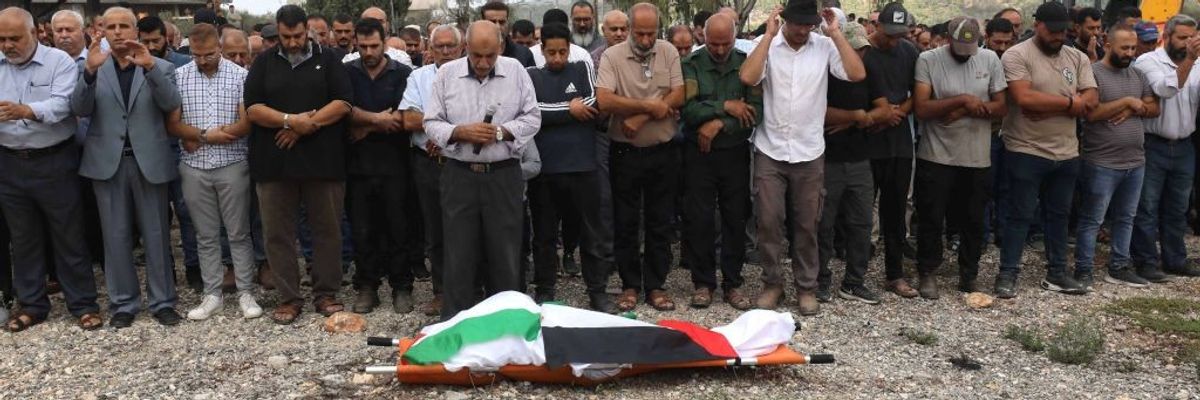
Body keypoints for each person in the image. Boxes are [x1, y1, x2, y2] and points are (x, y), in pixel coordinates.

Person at [740, 0, 865, 316]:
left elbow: (856, 73)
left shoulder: (824, 45)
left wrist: (835, 34)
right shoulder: (764, 43)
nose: (802, 30)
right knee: (768, 221)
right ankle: (772, 284)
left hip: (809, 150)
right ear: (784, 19)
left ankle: (806, 287)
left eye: (809, 24)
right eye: (797, 23)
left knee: (808, 224)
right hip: (771, 149)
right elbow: (748, 78)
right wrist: (767, 38)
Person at [71, 6, 184, 328]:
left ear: (136, 31)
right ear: (101, 31)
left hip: (149, 160)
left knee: (157, 234)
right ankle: (124, 303)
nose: (118, 32)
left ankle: (163, 301)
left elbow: (171, 103)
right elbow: (78, 108)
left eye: (124, 26)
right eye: (111, 26)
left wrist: (150, 69)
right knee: (115, 236)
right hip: (107, 163)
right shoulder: (93, 66)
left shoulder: (159, 65)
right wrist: (89, 74)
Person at [244, 5, 354, 324]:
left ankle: (326, 293)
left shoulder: (329, 59)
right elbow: (253, 108)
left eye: (297, 35)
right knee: (278, 233)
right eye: (285, 36)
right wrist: (291, 121)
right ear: (277, 32)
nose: (292, 42)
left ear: (307, 29)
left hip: (323, 161)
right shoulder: (263, 62)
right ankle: (289, 297)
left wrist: (309, 125)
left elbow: (343, 102)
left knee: (327, 229)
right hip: (274, 163)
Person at [424, 20, 541, 319]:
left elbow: (532, 118)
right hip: (459, 175)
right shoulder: (447, 74)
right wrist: (460, 132)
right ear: (465, 49)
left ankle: (507, 325)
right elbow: (431, 123)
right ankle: (455, 326)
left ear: (500, 48)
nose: (483, 63)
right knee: (459, 254)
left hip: (503, 175)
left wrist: (501, 132)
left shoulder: (515, 70)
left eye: (490, 56)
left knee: (505, 254)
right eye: (476, 55)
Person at [0, 7, 102, 332]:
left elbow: (64, 105)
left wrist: (25, 110)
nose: (7, 45)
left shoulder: (58, 62)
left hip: (54, 160)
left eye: (14, 38)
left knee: (68, 234)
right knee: (24, 237)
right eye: (1, 39)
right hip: (10, 163)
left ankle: (83, 303)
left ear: (35, 33)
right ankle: (31, 304)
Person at [996, 1, 1099, 298]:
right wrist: (1070, 104)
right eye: (1052, 31)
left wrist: (1058, 105)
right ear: (1037, 24)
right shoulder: (1018, 55)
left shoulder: (1076, 57)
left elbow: (1091, 98)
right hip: (1026, 149)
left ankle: (1057, 273)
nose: (1058, 37)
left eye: (1063, 32)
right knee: (1020, 214)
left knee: (1059, 216)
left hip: (1066, 152)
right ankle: (1008, 273)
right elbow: (1024, 98)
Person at [163, 23, 262, 320]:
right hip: (194, 167)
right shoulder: (179, 76)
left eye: (208, 54)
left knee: (238, 232)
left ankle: (245, 291)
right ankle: (212, 293)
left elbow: (247, 122)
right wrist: (204, 135)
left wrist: (207, 136)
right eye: (196, 54)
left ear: (219, 47)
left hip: (232, 162)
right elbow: (172, 124)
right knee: (204, 234)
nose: (202, 60)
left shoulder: (240, 75)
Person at [596, 3, 685, 312]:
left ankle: (656, 285)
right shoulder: (612, 56)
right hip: (625, 153)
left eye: (651, 33)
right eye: (640, 33)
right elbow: (605, 100)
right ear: (630, 29)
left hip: (663, 152)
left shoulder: (669, 51)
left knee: (661, 220)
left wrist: (638, 118)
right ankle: (631, 284)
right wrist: (649, 108)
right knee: (626, 221)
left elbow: (678, 94)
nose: (646, 40)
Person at [912, 16, 1007, 299]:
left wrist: (965, 110)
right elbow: (922, 108)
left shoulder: (989, 59)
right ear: (948, 39)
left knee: (974, 219)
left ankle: (969, 272)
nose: (966, 54)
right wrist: (962, 101)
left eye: (971, 48)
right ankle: (928, 270)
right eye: (959, 48)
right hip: (936, 153)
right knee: (931, 216)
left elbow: (1002, 106)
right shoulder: (929, 60)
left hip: (976, 155)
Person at [525, 22, 610, 311]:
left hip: (583, 166)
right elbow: (532, 112)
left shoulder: (581, 68)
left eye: (562, 51)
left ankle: (597, 290)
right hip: (546, 170)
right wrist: (569, 109)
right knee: (545, 234)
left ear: (570, 49)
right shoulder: (531, 75)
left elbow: (593, 101)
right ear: (542, 49)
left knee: (591, 231)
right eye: (552, 52)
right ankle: (545, 289)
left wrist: (563, 110)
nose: (558, 58)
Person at [679, 13, 760, 311]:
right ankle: (703, 282)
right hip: (698, 154)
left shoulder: (746, 63)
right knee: (699, 218)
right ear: (703, 37)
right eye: (713, 43)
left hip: (734, 152)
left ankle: (733, 282)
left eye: (725, 43)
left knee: (735, 217)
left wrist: (718, 125)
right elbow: (687, 109)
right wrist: (726, 106)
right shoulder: (691, 64)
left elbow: (754, 113)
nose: (720, 49)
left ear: (734, 37)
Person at [1074, 25, 1160, 290]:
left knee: (1126, 218)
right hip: (1101, 161)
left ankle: (1119, 267)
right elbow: (1090, 113)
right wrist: (1127, 102)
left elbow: (1154, 108)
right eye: (1125, 47)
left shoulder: (1138, 74)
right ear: (1108, 45)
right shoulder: (1093, 73)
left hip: (1135, 161)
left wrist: (1135, 107)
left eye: (1133, 48)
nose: (1130, 53)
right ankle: (1084, 270)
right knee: (1092, 219)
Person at [343, 18, 414, 314]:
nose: (369, 52)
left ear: (385, 43)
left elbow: (403, 117)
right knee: (362, 229)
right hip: (357, 167)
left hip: (396, 164)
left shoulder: (403, 74)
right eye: (363, 46)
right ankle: (367, 286)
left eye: (374, 45)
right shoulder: (346, 74)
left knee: (399, 226)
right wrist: (378, 120)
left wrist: (365, 125)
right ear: (356, 45)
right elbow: (342, 110)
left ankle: (401, 286)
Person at [399, 24, 464, 316]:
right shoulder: (418, 77)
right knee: (435, 231)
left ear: (462, 48)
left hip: (463, 162)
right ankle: (441, 291)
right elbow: (409, 120)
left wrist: (446, 135)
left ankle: (471, 290)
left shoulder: (472, 75)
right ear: (430, 49)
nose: (447, 52)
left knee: (467, 229)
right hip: (428, 163)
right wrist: (444, 131)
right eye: (441, 47)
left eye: (452, 46)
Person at [1132, 15, 1200, 279]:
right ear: (1167, 37)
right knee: (1147, 206)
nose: (1187, 43)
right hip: (1154, 144)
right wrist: (1190, 60)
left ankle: (1175, 259)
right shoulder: (1148, 61)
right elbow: (1165, 89)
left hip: (1184, 145)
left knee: (1178, 207)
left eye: (1190, 38)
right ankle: (1146, 261)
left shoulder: (1197, 62)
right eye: (1181, 37)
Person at [818, 21, 880, 304]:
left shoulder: (868, 72)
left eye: (862, 50)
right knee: (823, 223)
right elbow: (816, 111)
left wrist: (859, 117)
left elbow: (884, 109)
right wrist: (855, 117)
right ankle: (820, 279)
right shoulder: (824, 72)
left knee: (862, 224)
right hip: (826, 159)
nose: (858, 55)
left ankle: (854, 281)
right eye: (854, 49)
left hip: (860, 160)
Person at [862, 2, 920, 299]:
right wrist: (882, 115)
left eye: (901, 34)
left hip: (899, 143)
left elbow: (918, 90)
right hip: (869, 142)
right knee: (861, 213)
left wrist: (898, 113)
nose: (895, 40)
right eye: (890, 33)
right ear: (877, 27)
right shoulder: (864, 53)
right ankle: (855, 274)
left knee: (896, 213)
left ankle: (894, 274)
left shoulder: (909, 51)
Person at [341, 7, 412, 67]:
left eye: (380, 21)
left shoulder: (402, 59)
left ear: (387, 25)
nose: (375, 25)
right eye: (369, 21)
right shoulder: (349, 61)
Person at [479, 1, 535, 67]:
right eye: (492, 22)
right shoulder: (471, 53)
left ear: (507, 22)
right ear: (482, 22)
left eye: (502, 22)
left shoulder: (524, 54)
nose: (498, 27)